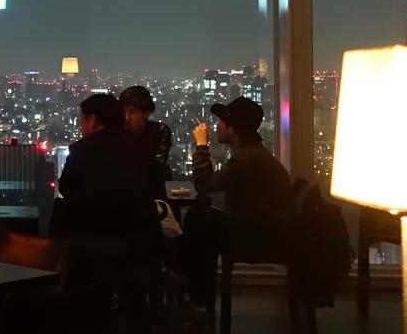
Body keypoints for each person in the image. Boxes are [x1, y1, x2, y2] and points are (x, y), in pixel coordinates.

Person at [179, 97, 294, 306]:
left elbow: (203, 184)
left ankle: (193, 289)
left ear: (232, 129)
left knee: (197, 219)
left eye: (222, 122)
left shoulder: (246, 160)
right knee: (200, 218)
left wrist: (202, 146)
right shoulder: (253, 154)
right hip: (266, 228)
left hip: (260, 235)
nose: (217, 126)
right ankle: (194, 289)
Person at [52, 92, 158, 241]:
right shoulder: (142, 146)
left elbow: (67, 188)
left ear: (93, 120)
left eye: (82, 122)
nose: (82, 128)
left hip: (91, 238)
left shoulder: (81, 149)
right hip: (138, 237)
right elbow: (153, 186)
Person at [119, 85, 174, 201]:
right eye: (122, 112)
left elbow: (155, 170)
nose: (126, 117)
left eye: (132, 112)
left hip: (152, 200)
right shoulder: (114, 132)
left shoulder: (159, 132)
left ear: (147, 113)